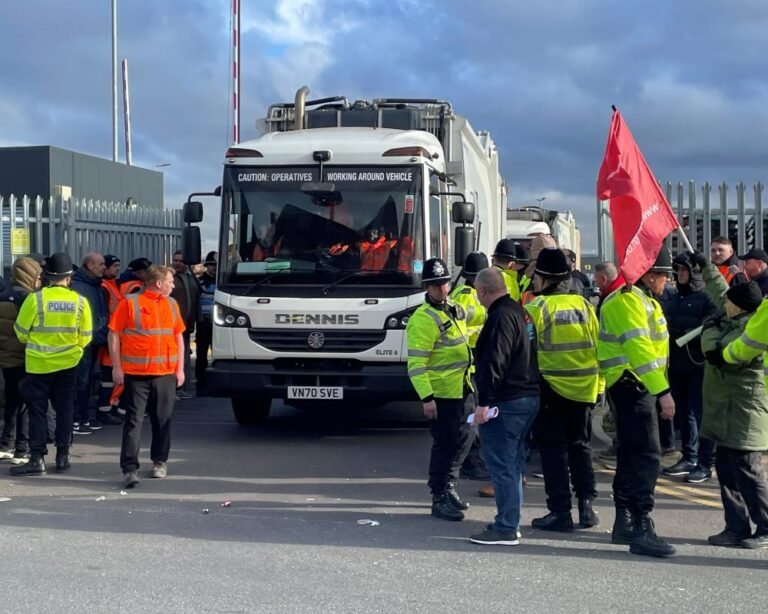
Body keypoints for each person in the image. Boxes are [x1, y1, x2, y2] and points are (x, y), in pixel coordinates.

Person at [598, 247, 676, 557]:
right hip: (634, 385)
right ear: (647, 273)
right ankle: (642, 525)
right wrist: (663, 391)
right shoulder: (629, 300)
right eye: (662, 274)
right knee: (647, 456)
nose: (666, 280)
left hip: (632, 385)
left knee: (631, 454)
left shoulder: (638, 300)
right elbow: (640, 349)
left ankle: (625, 522)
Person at [525, 248, 600, 532]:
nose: (533, 282)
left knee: (553, 451)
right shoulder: (585, 306)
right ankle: (587, 506)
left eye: (536, 277)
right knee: (581, 447)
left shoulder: (537, 308)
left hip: (551, 389)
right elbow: (598, 346)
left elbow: (527, 352)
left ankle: (560, 512)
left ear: (545, 280)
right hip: (585, 388)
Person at [467, 267, 539, 546]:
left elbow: (494, 362)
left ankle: (507, 526)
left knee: (502, 465)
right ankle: (511, 521)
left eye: (476, 291)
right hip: (528, 395)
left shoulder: (499, 317)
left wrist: (484, 403)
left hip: (506, 401)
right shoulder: (521, 312)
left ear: (482, 291)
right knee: (514, 463)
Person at [10, 253, 92, 476]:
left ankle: (37, 459)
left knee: (38, 411)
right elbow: (85, 337)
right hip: (68, 366)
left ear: (46, 276)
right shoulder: (80, 302)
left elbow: (20, 333)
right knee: (65, 411)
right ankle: (63, 457)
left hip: (38, 366)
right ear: (69, 277)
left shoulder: (35, 300)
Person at [700, 282, 768, 549]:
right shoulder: (739, 318)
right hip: (729, 412)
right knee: (728, 472)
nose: (723, 305)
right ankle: (736, 527)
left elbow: (717, 352)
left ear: (737, 306)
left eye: (728, 302)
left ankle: (765, 526)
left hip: (743, 411)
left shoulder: (750, 327)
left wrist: (708, 329)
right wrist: (706, 268)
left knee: (748, 471)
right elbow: (721, 292)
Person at [405, 258, 473, 521]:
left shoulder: (454, 309)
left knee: (464, 439)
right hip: (441, 395)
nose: (441, 289)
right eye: (435, 285)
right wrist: (427, 398)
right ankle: (439, 496)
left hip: (462, 388)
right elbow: (416, 364)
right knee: (445, 445)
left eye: (444, 283)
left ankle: (450, 485)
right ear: (427, 288)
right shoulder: (423, 319)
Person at [109, 265, 185, 489]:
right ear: (159, 283)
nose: (173, 285)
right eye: (170, 281)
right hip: (136, 375)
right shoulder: (130, 303)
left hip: (165, 375)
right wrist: (116, 367)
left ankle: (159, 461)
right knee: (134, 422)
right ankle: (129, 468)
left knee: (163, 420)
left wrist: (180, 369)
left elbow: (178, 336)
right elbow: (114, 334)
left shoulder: (171, 304)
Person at [661, 253, 719, 483]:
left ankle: (706, 462)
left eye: (684, 269)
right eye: (678, 270)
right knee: (685, 415)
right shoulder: (674, 299)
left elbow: (712, 325)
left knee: (701, 414)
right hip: (677, 364)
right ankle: (688, 457)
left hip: (698, 364)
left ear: (693, 272)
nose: (680, 273)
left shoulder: (706, 298)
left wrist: (691, 336)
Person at [451, 252, 491, 482]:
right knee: (471, 415)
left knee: (469, 414)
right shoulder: (468, 296)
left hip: (468, 361)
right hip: (472, 360)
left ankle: (467, 459)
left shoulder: (460, 293)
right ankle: (469, 461)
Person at [0, 257, 42, 465]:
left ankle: (5, 443)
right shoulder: (30, 299)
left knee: (11, 402)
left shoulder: (2, 297)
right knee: (26, 405)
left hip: (6, 359)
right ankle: (22, 449)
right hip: (26, 359)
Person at [71, 252, 109, 433]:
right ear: (89, 266)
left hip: (92, 340)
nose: (104, 267)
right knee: (80, 382)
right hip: (82, 342)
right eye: (100, 264)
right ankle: (77, 420)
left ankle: (83, 418)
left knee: (85, 382)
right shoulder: (80, 287)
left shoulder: (94, 286)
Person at [93, 254, 124, 426]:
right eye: (114, 266)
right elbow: (104, 314)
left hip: (115, 339)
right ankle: (104, 411)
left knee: (112, 379)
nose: (116, 269)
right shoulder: (105, 287)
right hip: (109, 340)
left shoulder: (112, 285)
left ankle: (109, 409)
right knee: (108, 379)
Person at [170, 250, 201, 398]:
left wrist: (197, 319)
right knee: (174, 357)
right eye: (175, 260)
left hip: (187, 325)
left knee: (184, 357)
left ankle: (180, 387)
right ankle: (173, 389)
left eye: (181, 261)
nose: (178, 263)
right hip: (172, 326)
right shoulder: (169, 279)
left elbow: (197, 300)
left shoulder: (191, 279)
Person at [196, 251, 217, 396]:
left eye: (216, 265)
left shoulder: (223, 281)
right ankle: (201, 385)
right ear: (207, 266)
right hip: (204, 323)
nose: (214, 268)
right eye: (212, 265)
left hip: (218, 324)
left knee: (217, 356)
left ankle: (214, 385)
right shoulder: (199, 282)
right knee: (201, 356)